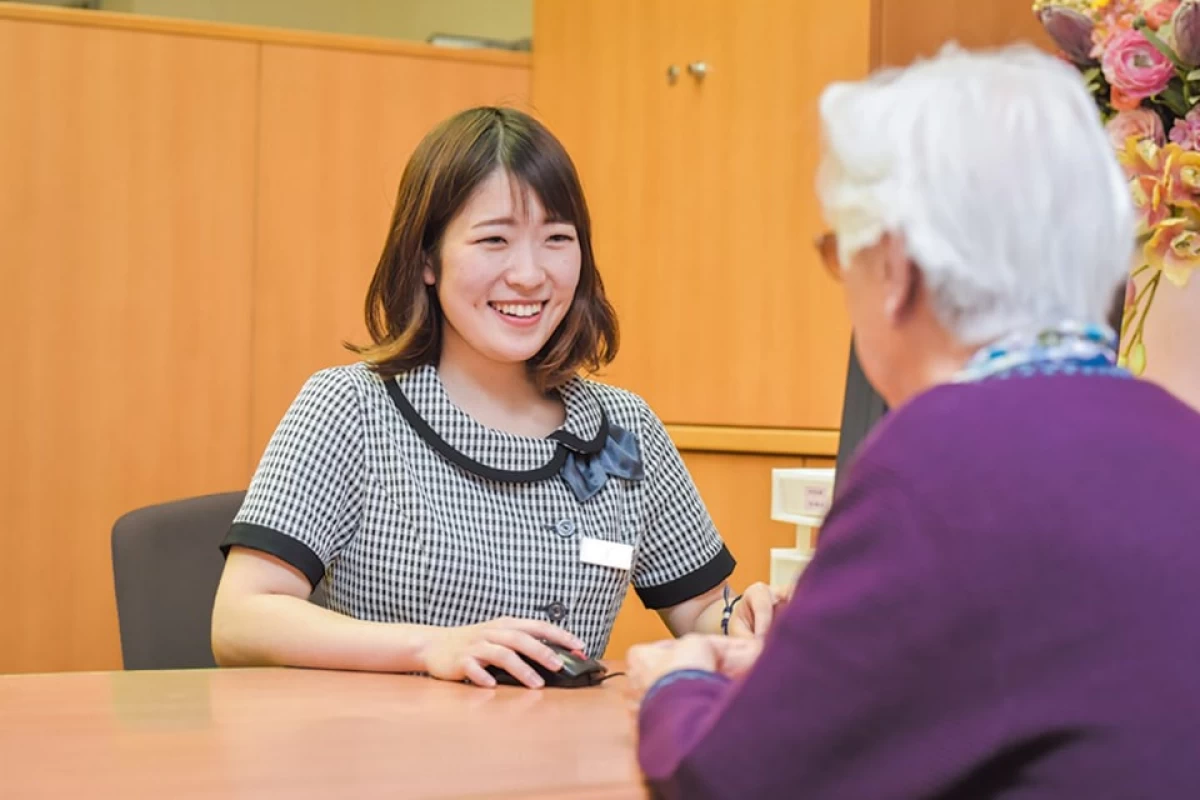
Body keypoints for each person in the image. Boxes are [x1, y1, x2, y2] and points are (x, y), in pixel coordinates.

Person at [627, 44, 1200, 797]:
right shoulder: (1176, 436)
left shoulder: (939, 459)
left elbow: (731, 781)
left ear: (895, 269)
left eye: (843, 257)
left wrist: (677, 686)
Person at [210, 106, 778, 689]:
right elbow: (241, 619)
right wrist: (432, 646)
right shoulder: (351, 406)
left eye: (557, 238)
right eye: (494, 240)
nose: (530, 275)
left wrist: (743, 621)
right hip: (390, 764)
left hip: (561, 769)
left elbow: (701, 612)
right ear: (427, 259)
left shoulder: (623, 428)